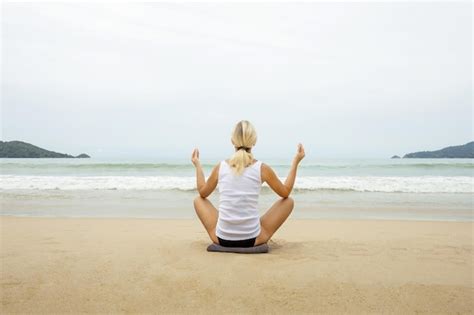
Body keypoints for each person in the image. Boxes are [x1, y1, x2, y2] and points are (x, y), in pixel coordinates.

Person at [192, 120, 305, 247]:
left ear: (232, 141)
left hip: (222, 239)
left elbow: (202, 192)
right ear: (254, 142)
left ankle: (229, 229)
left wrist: (197, 164)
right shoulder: (262, 168)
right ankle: (247, 230)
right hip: (252, 240)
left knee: (198, 200)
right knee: (288, 201)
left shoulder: (221, 167)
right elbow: (285, 192)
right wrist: (296, 161)